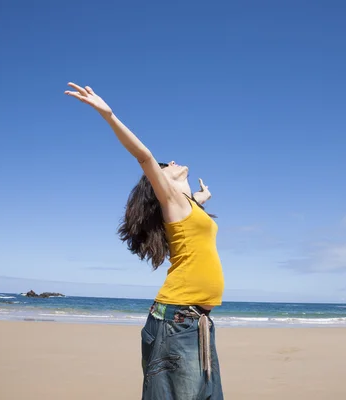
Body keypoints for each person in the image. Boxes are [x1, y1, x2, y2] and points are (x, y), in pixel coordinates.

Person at [65, 82, 225, 399]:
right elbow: (144, 155)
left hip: (196, 325)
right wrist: (108, 114)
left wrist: (201, 198)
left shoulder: (187, 206)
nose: (171, 162)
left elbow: (189, 224)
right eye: (166, 167)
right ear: (160, 184)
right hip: (176, 323)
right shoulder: (173, 203)